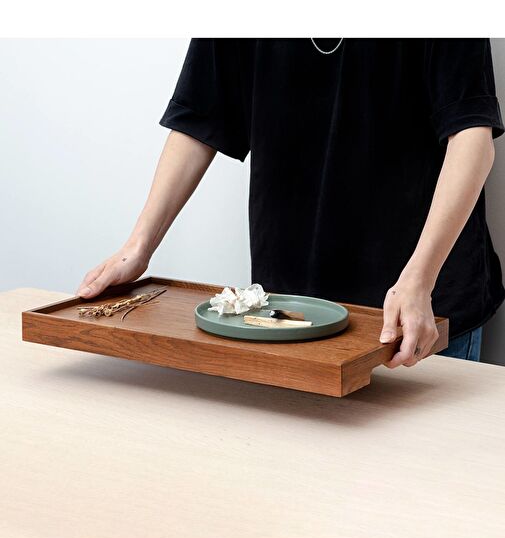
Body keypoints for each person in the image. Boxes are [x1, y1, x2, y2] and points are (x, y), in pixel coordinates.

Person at [77, 39, 505, 367]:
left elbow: (471, 138)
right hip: (288, 308)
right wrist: (138, 247)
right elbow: (199, 118)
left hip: (417, 307)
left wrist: (419, 280)